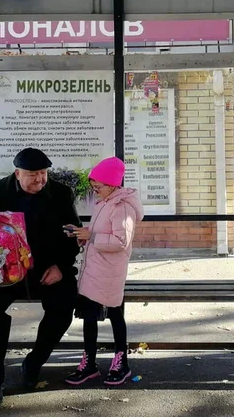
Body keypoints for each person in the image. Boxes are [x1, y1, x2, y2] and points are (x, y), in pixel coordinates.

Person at [0, 148, 81, 408]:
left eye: (43, 173)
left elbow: (72, 235)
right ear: (17, 173)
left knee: (63, 307)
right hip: (3, 270)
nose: (40, 180)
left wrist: (61, 266)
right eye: (33, 174)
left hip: (46, 268)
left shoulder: (61, 194)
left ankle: (33, 362)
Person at [66, 157, 144, 387]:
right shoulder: (105, 202)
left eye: (98, 186)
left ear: (112, 184)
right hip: (95, 270)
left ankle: (121, 362)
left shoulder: (122, 207)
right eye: (93, 185)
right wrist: (83, 234)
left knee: (115, 316)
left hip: (110, 272)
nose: (94, 190)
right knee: (89, 316)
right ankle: (89, 362)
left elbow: (120, 241)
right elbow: (101, 233)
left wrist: (91, 237)